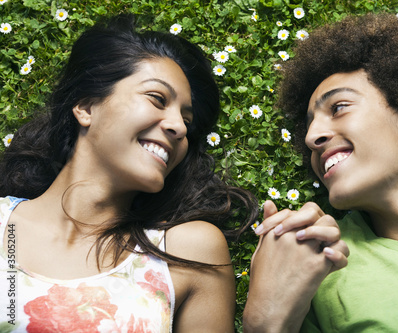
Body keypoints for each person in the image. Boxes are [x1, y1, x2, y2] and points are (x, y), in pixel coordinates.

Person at [0, 15, 258, 332]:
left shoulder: (186, 252)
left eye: (186, 122)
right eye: (157, 98)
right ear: (87, 107)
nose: (178, 127)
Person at [244, 13, 398, 332]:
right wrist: (265, 321)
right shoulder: (319, 269)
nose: (312, 138)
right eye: (308, 127)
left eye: (338, 107)